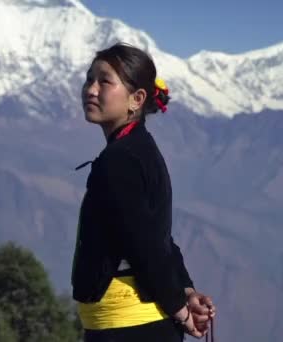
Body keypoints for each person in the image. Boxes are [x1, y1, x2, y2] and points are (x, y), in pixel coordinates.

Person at [71, 42, 216, 342]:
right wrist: (186, 290)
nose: (91, 89)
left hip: (129, 330)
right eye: (89, 79)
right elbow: (158, 237)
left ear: (136, 99)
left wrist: (181, 310)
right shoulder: (141, 151)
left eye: (104, 81)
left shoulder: (120, 159)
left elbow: (145, 246)